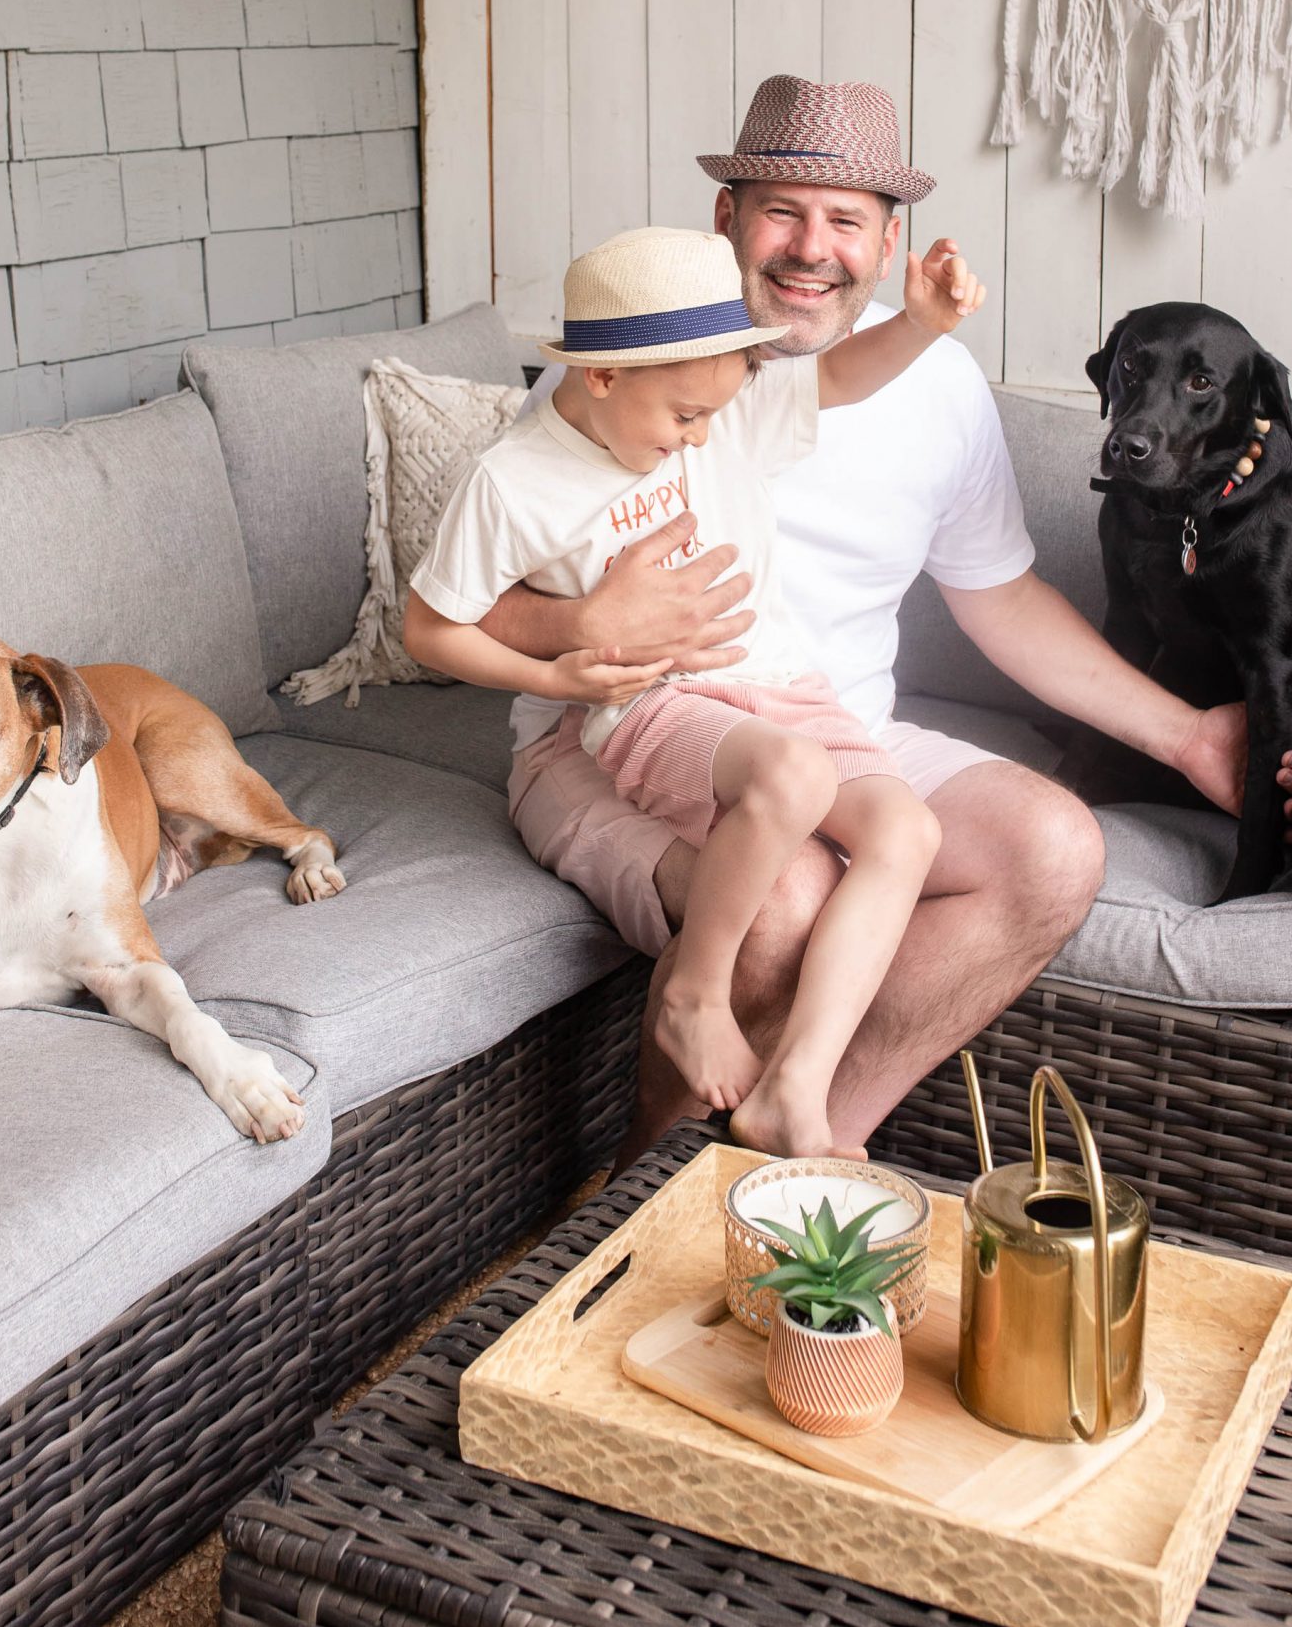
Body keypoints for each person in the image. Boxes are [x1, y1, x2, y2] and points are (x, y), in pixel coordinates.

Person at [485, 77, 1292, 1167]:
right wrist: (587, 620)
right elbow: (481, 601)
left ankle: (811, 1139)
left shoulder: (934, 384)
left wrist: (1189, 735)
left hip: (833, 733)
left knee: (1058, 847)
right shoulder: (627, 364)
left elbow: (1003, 596)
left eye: (845, 221)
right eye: (782, 211)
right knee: (782, 895)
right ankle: (645, 1190)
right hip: (605, 735)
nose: (809, 249)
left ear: (888, 244)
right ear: (727, 219)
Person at [401, 223, 987, 1157]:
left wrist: (920, 324)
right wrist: (552, 673)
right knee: (790, 784)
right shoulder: (515, 482)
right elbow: (429, 627)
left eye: (715, 413)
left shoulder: (718, 402)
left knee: (906, 830)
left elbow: (837, 378)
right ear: (599, 377)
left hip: (778, 681)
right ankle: (691, 992)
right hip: (652, 702)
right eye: (682, 419)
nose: (702, 438)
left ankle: (795, 1086)